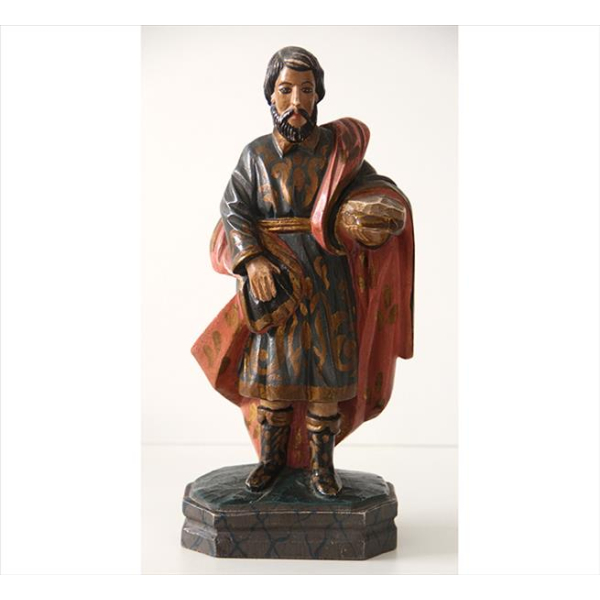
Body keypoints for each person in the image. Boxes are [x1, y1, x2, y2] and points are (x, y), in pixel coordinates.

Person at [192, 46, 414, 497]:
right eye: (286, 89)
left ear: (318, 96)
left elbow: (377, 187)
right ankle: (270, 462)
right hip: (274, 280)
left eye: (307, 90)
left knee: (325, 382)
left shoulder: (336, 155)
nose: (297, 101)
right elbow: (234, 209)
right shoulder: (255, 155)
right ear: (270, 96)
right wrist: (252, 260)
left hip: (328, 280)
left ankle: (322, 469)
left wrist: (382, 207)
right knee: (275, 381)